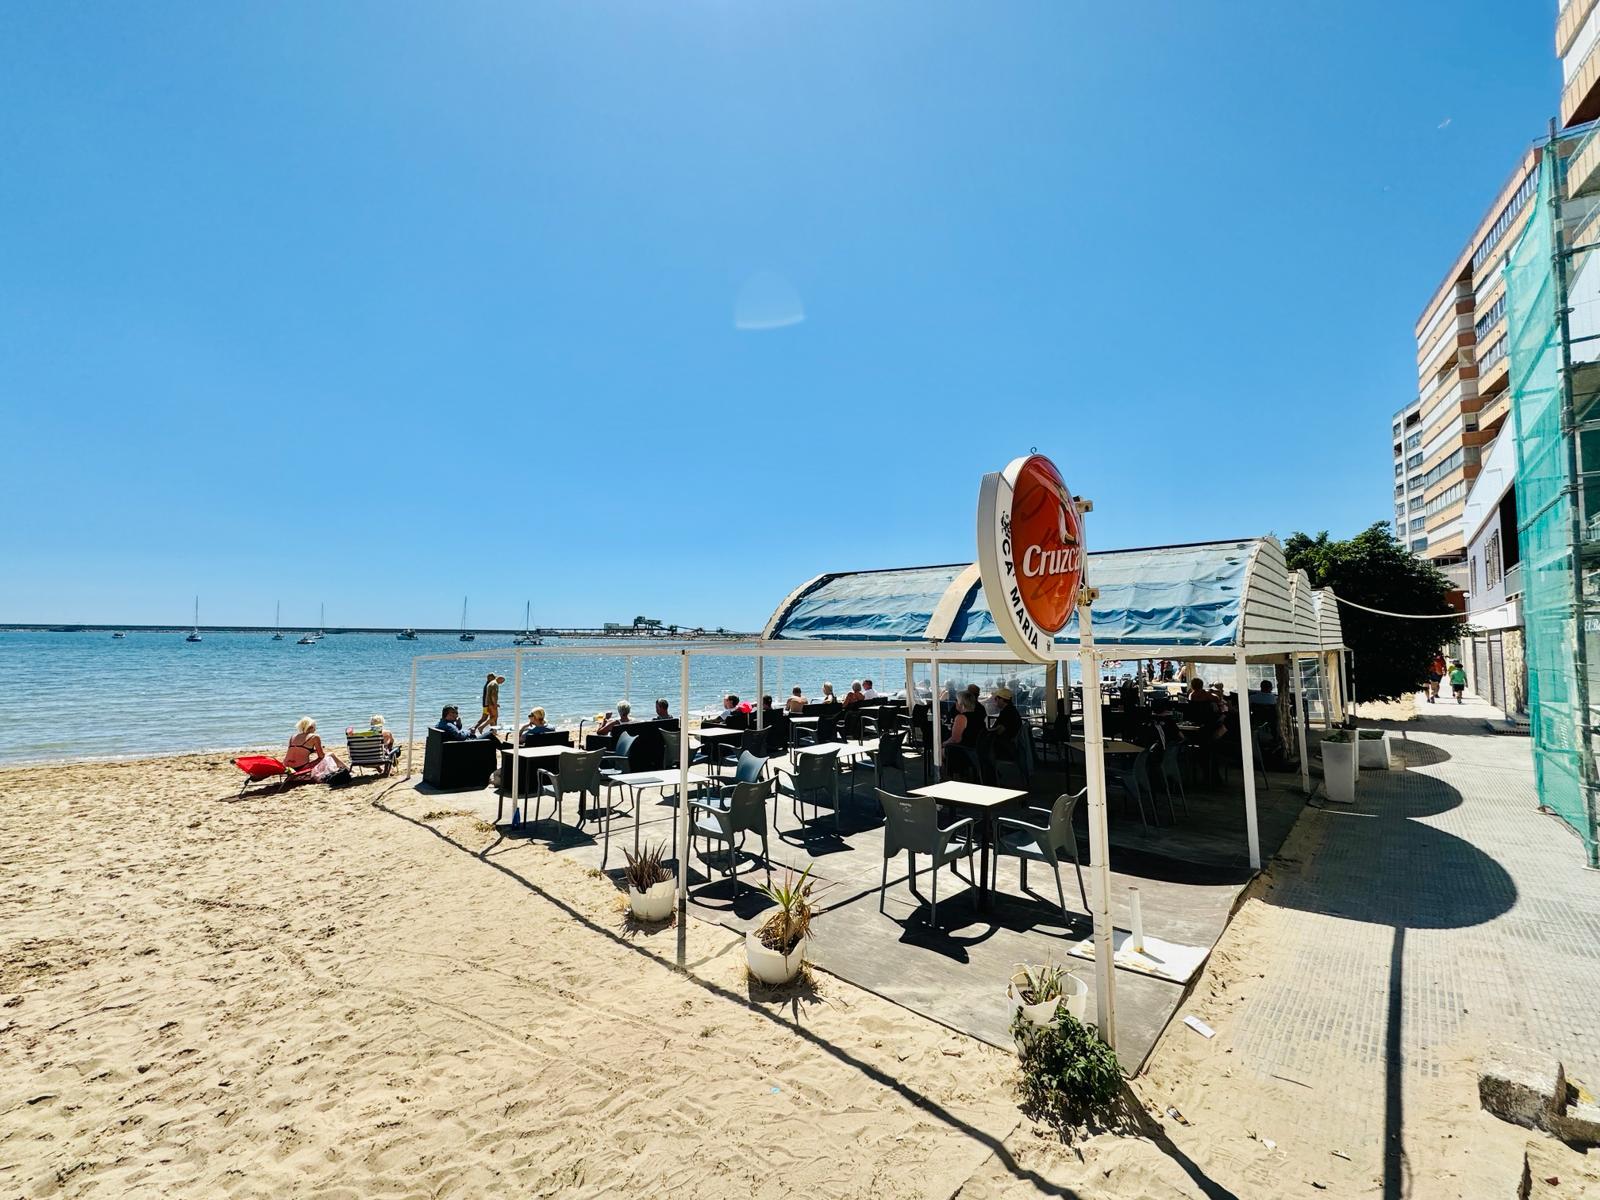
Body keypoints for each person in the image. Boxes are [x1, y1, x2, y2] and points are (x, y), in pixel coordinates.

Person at [286, 717, 345, 782]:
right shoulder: (314, 737)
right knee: (331, 754)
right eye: (315, 727)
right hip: (301, 767)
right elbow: (321, 756)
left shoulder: (293, 737)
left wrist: (312, 751)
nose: (315, 729)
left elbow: (297, 750)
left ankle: (346, 769)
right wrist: (318, 750)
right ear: (311, 727)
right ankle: (347, 770)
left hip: (288, 767)